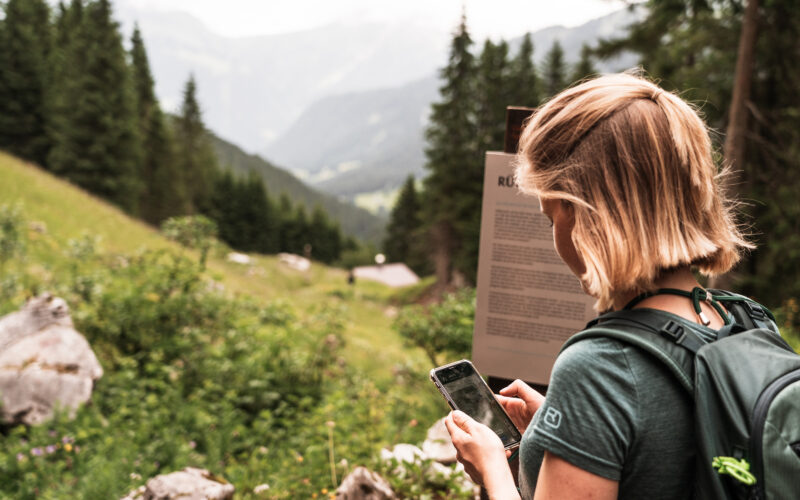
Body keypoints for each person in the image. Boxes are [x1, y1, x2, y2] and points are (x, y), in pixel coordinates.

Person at [444, 73, 757, 499]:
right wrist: (564, 428)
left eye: (550, 216)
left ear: (584, 213)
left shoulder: (600, 368)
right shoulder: (746, 322)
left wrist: (493, 470)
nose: (554, 235)